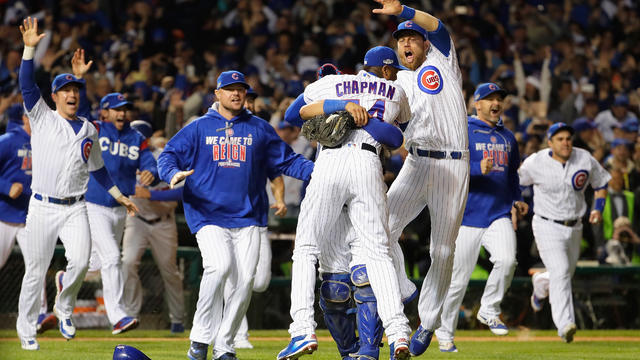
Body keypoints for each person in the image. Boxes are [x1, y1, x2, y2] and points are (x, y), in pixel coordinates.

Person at [157, 70, 314, 360]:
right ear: (217, 94)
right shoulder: (198, 127)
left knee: (244, 282)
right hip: (208, 214)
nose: (237, 93)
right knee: (219, 266)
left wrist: (322, 172)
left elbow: (288, 161)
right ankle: (200, 339)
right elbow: (168, 155)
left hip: (249, 217)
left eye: (241, 89)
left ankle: (225, 345)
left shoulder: (260, 128)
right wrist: (171, 173)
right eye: (230, 89)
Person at [278, 46, 413, 360]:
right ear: (389, 70)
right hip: (368, 164)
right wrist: (363, 118)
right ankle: (398, 332)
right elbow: (395, 139)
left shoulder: (329, 83)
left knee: (306, 250)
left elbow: (290, 116)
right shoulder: (396, 89)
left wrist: (341, 107)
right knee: (378, 254)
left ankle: (302, 330)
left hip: (330, 162)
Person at [16, 17, 137, 350]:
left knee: (83, 262)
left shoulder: (89, 129)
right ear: (54, 96)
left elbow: (98, 169)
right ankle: (26, 330)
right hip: (42, 206)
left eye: (76, 90)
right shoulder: (42, 117)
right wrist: (29, 49)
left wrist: (120, 197)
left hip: (75, 207)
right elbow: (27, 84)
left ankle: (64, 308)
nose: (72, 94)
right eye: (66, 90)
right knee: (35, 272)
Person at [371, 1, 470, 355]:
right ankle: (403, 289)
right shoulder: (395, 84)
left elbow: (439, 25)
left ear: (424, 44)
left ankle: (428, 322)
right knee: (377, 230)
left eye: (412, 38)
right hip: (415, 164)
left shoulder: (443, 61)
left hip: (452, 165)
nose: (407, 44)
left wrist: (404, 10)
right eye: (401, 41)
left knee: (442, 250)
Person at [65, 49, 155, 335]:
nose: (121, 113)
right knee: (113, 259)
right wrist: (79, 80)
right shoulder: (95, 128)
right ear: (104, 111)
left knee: (93, 262)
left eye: (124, 108)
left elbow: (149, 159)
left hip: (120, 208)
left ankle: (63, 281)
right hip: (93, 203)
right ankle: (117, 316)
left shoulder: (136, 137)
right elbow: (77, 112)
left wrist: (151, 171)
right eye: (116, 109)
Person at [434, 83, 528, 352]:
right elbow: (447, 165)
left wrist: (517, 198)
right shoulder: (462, 129)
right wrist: (476, 168)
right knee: (457, 281)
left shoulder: (508, 137)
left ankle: (488, 309)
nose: (495, 103)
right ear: (477, 104)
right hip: (466, 215)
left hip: (498, 213)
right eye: (489, 99)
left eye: (499, 99)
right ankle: (445, 332)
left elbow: (512, 175)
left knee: (507, 260)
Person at [520, 122, 610, 342]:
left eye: (568, 138)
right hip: (546, 224)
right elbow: (514, 182)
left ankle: (541, 283)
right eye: (560, 139)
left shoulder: (584, 159)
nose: (566, 142)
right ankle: (565, 326)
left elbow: (601, 184)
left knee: (563, 276)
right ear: (550, 142)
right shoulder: (536, 162)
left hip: (575, 226)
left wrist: (598, 209)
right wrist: (515, 202)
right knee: (561, 272)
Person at [121, 121, 186, 334]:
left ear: (148, 139)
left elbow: (181, 193)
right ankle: (130, 315)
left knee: (169, 271)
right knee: (128, 262)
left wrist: (152, 194)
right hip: (137, 220)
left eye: (139, 137)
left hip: (163, 222)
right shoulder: (127, 155)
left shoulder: (165, 157)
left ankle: (177, 319)